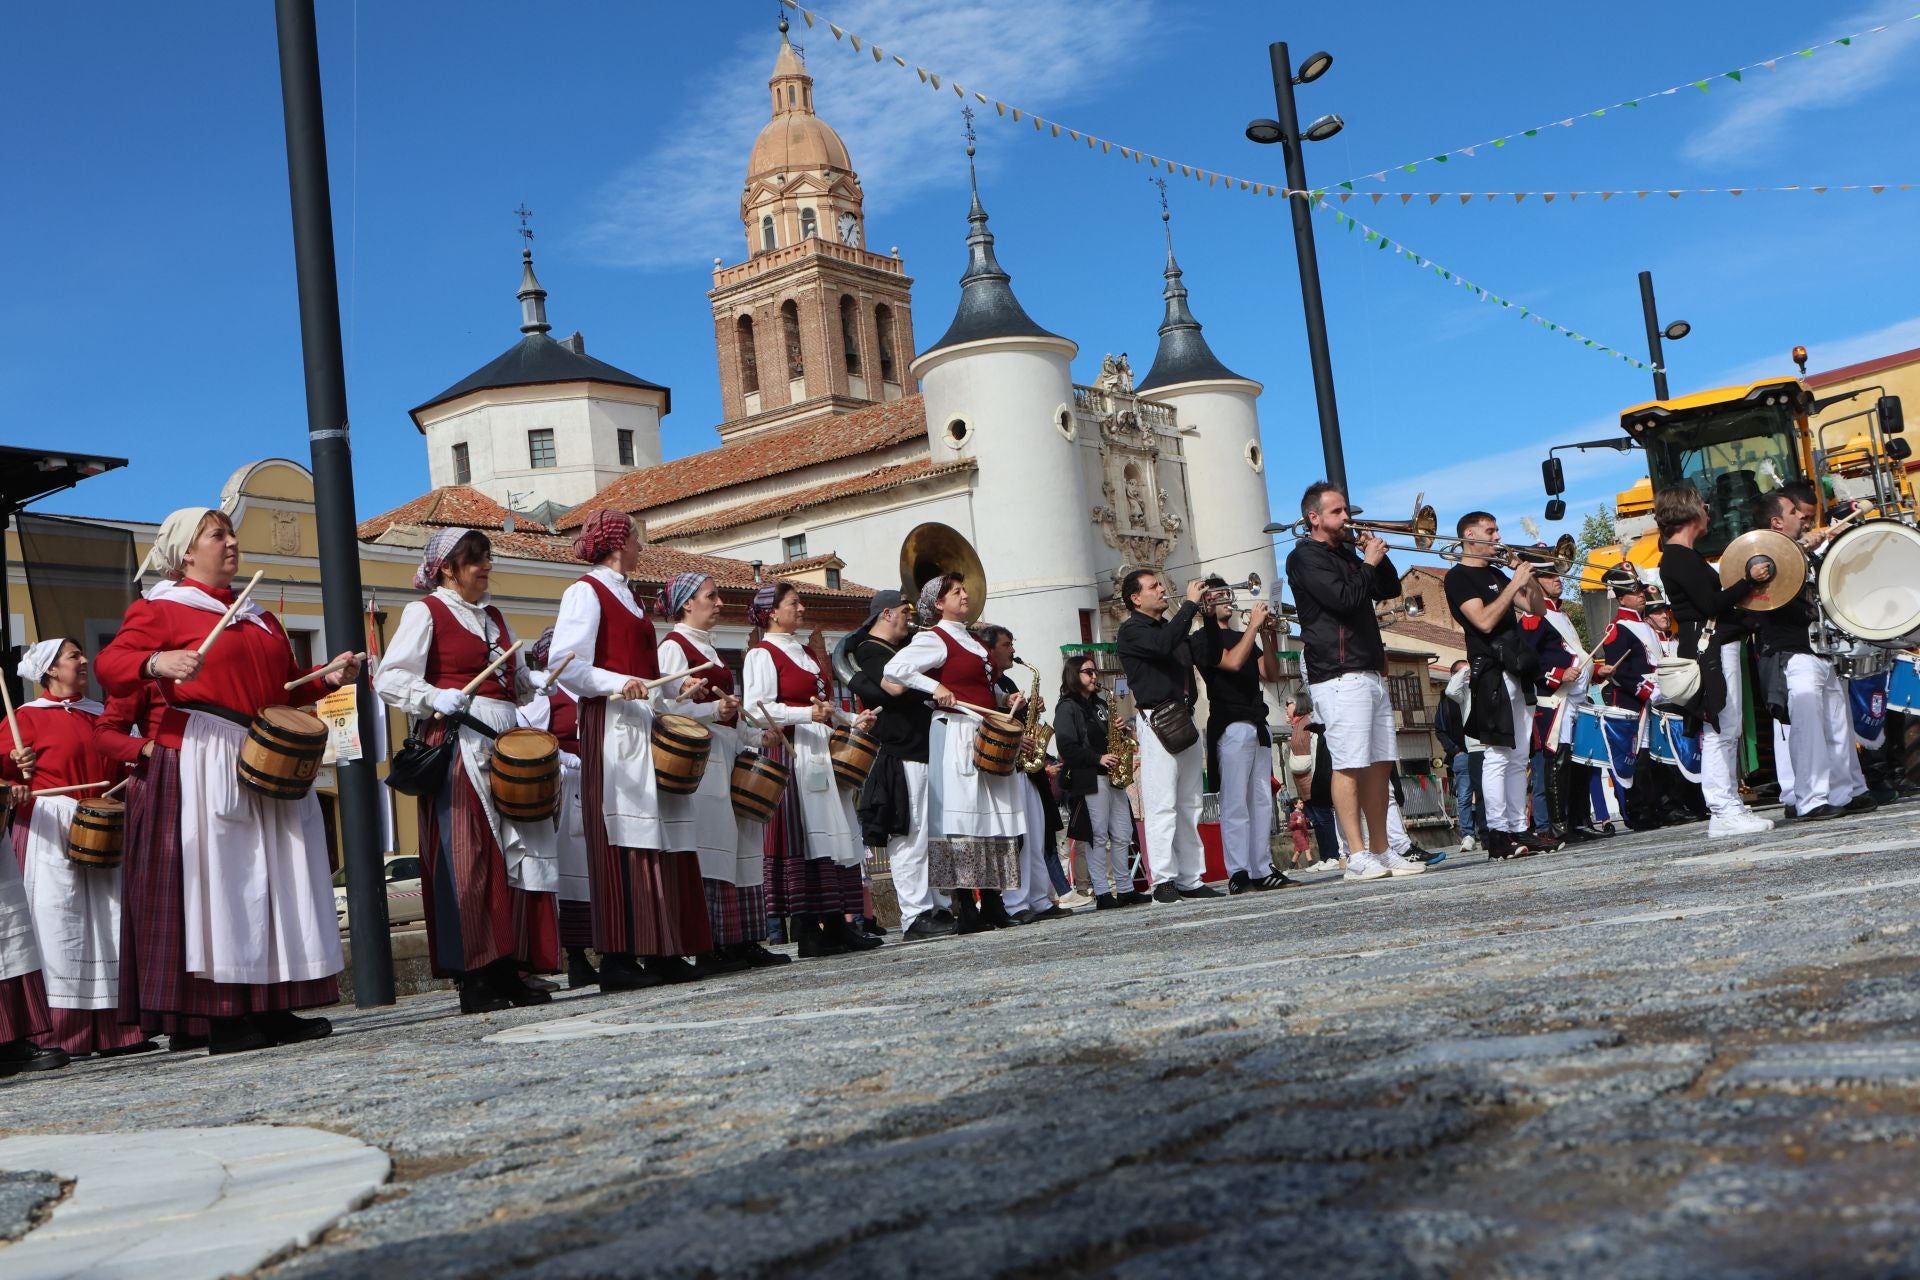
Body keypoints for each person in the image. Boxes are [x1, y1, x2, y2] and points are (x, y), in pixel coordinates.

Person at [97, 505, 356, 1055]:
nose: (231, 542)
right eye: (217, 535)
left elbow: (284, 688)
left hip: (264, 748)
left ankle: (274, 1004)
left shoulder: (260, 616)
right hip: (205, 750)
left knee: (277, 878)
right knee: (225, 882)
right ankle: (223, 1016)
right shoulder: (161, 608)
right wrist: (157, 663)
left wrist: (326, 678)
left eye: (231, 532)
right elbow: (112, 664)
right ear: (186, 552)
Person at [374, 528, 561, 1014]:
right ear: (447, 569)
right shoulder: (426, 611)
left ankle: (510, 968)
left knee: (511, 862)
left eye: (487, 557)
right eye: (474, 559)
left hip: (504, 741)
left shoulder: (494, 617)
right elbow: (389, 677)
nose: (485, 566)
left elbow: (511, 683)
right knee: (469, 859)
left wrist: (529, 681)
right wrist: (434, 696)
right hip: (459, 743)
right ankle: (475, 977)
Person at [550, 509, 715, 990]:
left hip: (642, 721)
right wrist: (620, 683)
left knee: (658, 835)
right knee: (624, 837)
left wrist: (675, 695)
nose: (642, 548)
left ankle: (660, 949)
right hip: (611, 725)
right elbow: (567, 665)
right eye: (638, 540)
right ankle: (619, 958)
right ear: (619, 543)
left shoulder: (633, 599)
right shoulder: (586, 591)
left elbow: (645, 677)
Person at [0, 639, 153, 1061]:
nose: (84, 661)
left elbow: (125, 763)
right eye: (73, 656)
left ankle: (120, 1031)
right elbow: (5, 779)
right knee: (57, 923)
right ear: (50, 670)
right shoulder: (24, 719)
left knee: (110, 920)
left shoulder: (102, 716)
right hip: (49, 824)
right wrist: (15, 766)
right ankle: (59, 1032)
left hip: (102, 820)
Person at [1284, 483, 1425, 881]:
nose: (1348, 517)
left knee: (1380, 765)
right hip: (1338, 673)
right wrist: (1367, 562)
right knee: (1349, 765)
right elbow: (1344, 601)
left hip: (1370, 669)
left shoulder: (1346, 553)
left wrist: (1377, 558)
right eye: (1338, 512)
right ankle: (1357, 855)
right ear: (1314, 518)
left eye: (1346, 510)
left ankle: (1382, 850)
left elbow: (1388, 589)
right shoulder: (1303, 559)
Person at [655, 572, 786, 969]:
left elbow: (729, 713)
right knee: (710, 847)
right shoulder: (672, 649)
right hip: (699, 761)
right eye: (711, 596)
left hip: (726, 753)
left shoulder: (709, 649)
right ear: (686, 605)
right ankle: (709, 943)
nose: (719, 603)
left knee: (739, 845)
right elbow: (664, 711)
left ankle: (741, 938)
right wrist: (714, 710)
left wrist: (756, 736)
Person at [884, 573, 1026, 931]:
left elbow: (976, 686)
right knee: (961, 818)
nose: (965, 595)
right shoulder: (934, 638)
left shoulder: (975, 640)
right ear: (938, 604)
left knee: (990, 816)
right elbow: (895, 669)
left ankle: (993, 901)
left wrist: (1001, 699)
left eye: (964, 590)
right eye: (956, 592)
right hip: (955, 732)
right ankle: (965, 904)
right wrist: (935, 686)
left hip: (981, 728)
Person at [744, 580, 876, 956]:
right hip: (793, 751)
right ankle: (806, 929)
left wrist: (851, 721)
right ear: (773, 612)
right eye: (794, 603)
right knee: (806, 836)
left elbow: (825, 704)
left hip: (818, 748)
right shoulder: (762, 654)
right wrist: (806, 713)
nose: (801, 609)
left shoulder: (803, 651)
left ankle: (836, 922)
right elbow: (756, 710)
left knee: (832, 834)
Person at [1750, 490, 1872, 821]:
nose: (1802, 517)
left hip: (1819, 648)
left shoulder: (1800, 553)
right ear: (1776, 522)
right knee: (1808, 729)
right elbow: (1768, 568)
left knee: (1836, 726)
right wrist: (1803, 545)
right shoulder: (1761, 555)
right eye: (1793, 512)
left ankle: (1843, 791)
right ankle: (1810, 799)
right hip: (1792, 652)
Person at [1444, 511, 1557, 859]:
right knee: (1497, 755)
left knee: (1518, 755)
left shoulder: (1496, 573)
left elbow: (1538, 608)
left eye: (1497, 531)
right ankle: (1497, 832)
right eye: (1490, 532)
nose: (1497, 537)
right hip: (1490, 670)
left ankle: (1518, 827)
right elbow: (1484, 620)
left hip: (1516, 669)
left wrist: (1526, 575)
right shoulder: (1459, 577)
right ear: (1470, 535)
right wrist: (1511, 584)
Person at [846, 590, 953, 940]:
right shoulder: (869, 651)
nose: (909, 618)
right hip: (900, 751)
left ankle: (938, 904)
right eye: (905, 612)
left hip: (924, 748)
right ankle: (914, 914)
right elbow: (892, 687)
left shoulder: (898, 650)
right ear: (887, 614)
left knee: (932, 834)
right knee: (910, 832)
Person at [1115, 568, 1221, 900]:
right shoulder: (1132, 630)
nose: (1163, 590)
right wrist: (1189, 606)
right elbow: (1161, 648)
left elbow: (1203, 656)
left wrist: (1208, 615)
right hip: (1157, 720)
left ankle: (1190, 877)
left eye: (1161, 585)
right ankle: (1163, 879)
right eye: (1154, 586)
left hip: (1183, 717)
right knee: (1162, 803)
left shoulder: (1169, 628)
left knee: (1190, 803)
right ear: (1136, 598)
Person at [1194, 579, 1293, 891]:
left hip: (1257, 722)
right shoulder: (1201, 639)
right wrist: (1254, 628)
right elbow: (1233, 662)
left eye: (1227, 594)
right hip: (1230, 722)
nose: (1226, 599)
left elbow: (1272, 674)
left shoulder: (1245, 636)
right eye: (1218, 595)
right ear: (1204, 603)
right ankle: (1238, 872)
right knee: (1235, 801)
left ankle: (1261, 868)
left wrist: (1267, 632)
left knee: (1262, 801)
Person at [516, 628, 600, 988]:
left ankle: (600, 951)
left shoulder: (590, 694)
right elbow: (529, 739)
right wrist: (572, 760)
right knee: (572, 876)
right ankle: (577, 957)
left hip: (596, 789)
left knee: (594, 874)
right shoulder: (545, 700)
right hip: (566, 794)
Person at [978, 625, 1071, 924]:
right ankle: (1016, 902)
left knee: (1036, 833)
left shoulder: (1005, 680)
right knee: (1016, 837)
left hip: (1024, 768)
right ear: (991, 650)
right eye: (1007, 645)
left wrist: (1031, 709)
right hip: (1004, 766)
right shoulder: (986, 683)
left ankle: (1039, 898)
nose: (1013, 650)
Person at [1518, 566, 1605, 844]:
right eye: (1548, 576)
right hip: (1557, 700)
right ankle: (1558, 825)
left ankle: (1579, 819)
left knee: (1578, 762)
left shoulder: (1561, 614)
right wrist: (1556, 674)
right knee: (1559, 763)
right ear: (1534, 583)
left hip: (1576, 698)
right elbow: (1526, 660)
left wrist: (1596, 671)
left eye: (1557, 574)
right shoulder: (1534, 615)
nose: (1557, 580)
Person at [1054, 655, 1149, 908]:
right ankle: (1103, 893)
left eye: (1094, 672)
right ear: (1074, 675)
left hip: (1113, 777)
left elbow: (1109, 737)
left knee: (1122, 832)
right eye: (1088, 672)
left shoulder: (1100, 704)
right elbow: (1066, 745)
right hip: (1090, 777)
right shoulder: (1067, 707)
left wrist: (1122, 731)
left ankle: (1126, 888)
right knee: (1096, 835)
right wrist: (1098, 757)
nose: (1094, 676)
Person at [1597, 567, 1667, 830]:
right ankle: (1638, 812)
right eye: (1632, 592)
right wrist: (1647, 690)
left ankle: (1656, 807)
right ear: (1620, 597)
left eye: (1639, 590)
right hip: (1632, 700)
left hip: (1654, 698)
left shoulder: (1643, 624)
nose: (1639, 596)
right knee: (1635, 758)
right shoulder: (1618, 627)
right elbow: (1619, 672)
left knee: (1653, 756)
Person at [1434, 661, 1487, 852]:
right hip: (1462, 753)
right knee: (1464, 795)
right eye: (1462, 672)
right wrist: (1455, 750)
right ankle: (1467, 834)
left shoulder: (1476, 691)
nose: (1467, 675)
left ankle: (1486, 832)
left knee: (1484, 792)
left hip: (1480, 749)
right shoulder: (1447, 700)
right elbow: (1440, 729)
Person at [1287, 799, 1312, 869]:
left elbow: (1304, 824)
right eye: (1300, 803)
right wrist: (1296, 822)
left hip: (1304, 834)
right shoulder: (1293, 814)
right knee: (1307, 848)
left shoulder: (1302, 813)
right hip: (1298, 834)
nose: (1302, 804)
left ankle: (1290, 867)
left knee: (1298, 851)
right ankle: (1311, 864)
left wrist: (1307, 821)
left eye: (1302, 803)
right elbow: (1290, 825)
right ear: (1295, 805)